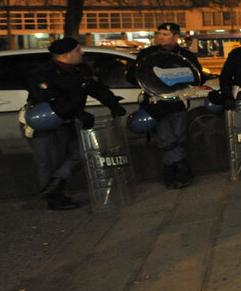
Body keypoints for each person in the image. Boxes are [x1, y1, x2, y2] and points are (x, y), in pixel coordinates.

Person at [26, 37, 126, 210]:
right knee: (49, 161)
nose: (82, 53)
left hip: (67, 121)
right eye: (78, 50)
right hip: (46, 123)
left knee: (80, 155)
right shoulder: (42, 73)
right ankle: (55, 199)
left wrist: (114, 105)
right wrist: (79, 113)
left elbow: (97, 89)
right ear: (65, 55)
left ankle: (55, 185)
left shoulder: (81, 70)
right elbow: (50, 100)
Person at [137, 22, 203, 189]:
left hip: (177, 103)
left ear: (175, 37)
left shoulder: (185, 56)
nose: (160, 37)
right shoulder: (147, 54)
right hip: (156, 105)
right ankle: (182, 168)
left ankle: (171, 171)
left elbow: (197, 76)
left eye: (165, 35)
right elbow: (135, 76)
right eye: (159, 34)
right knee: (167, 139)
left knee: (179, 138)